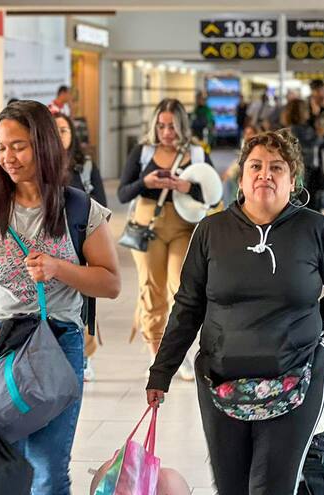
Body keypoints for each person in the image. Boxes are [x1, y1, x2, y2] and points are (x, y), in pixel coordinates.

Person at [145, 129, 324, 495]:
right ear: (241, 177)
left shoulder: (317, 229)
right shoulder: (211, 231)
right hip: (220, 384)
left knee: (271, 487)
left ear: (292, 181)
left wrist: (306, 336)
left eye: (277, 167)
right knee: (231, 487)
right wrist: (161, 372)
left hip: (296, 381)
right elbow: (188, 306)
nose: (265, 174)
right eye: (256, 166)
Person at [0, 100, 120, 494]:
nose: (7, 157)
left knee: (49, 467)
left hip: (54, 340)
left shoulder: (79, 209)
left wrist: (59, 268)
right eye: (0, 147)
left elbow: (111, 283)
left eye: (18, 146)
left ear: (43, 145)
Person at [118, 98, 214, 380]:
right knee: (152, 290)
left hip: (184, 227)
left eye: (171, 126)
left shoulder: (196, 153)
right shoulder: (143, 152)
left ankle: (177, 350)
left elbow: (213, 194)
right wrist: (145, 183)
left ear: (182, 126)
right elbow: (124, 193)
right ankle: (157, 354)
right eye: (161, 126)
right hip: (148, 226)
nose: (166, 132)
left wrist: (186, 186)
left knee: (180, 289)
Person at [54, 112, 107, 382]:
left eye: (63, 130)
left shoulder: (83, 166)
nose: (59, 135)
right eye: (54, 130)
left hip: (81, 245)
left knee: (84, 303)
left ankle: (85, 355)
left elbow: (102, 201)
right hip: (52, 246)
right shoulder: (40, 168)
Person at [283, 99, 324, 209]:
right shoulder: (297, 129)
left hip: (310, 167)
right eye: (306, 109)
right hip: (306, 168)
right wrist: (319, 136)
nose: (308, 112)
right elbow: (305, 147)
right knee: (308, 201)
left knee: (312, 199)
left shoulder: (302, 127)